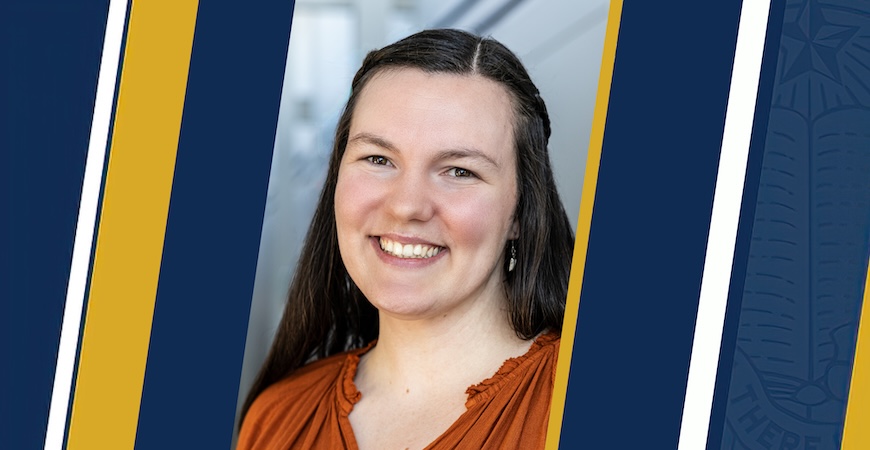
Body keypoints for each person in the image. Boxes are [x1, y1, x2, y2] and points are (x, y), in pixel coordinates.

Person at [238, 28, 575, 450]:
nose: (406, 206)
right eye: (378, 159)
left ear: (521, 212)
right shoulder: (278, 417)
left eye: (459, 171)